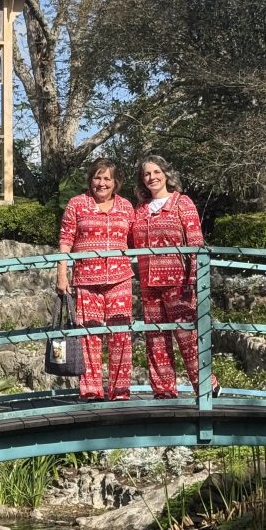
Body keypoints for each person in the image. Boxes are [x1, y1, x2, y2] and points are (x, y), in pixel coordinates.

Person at [131, 155, 219, 399]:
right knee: (156, 340)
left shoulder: (182, 203)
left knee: (188, 338)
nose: (152, 178)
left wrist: (193, 281)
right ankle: (164, 391)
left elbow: (196, 245)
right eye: (147, 174)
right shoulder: (139, 210)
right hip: (149, 283)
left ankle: (206, 387)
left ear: (166, 173)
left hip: (178, 284)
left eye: (156, 172)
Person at [56, 158, 135, 401]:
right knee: (88, 334)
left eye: (107, 179)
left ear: (115, 183)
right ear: (91, 180)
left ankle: (120, 390)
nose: (101, 183)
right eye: (97, 178)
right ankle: (91, 390)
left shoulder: (126, 207)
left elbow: (135, 240)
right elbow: (66, 240)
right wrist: (61, 273)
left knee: (120, 334)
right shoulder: (77, 204)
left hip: (120, 278)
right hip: (86, 278)